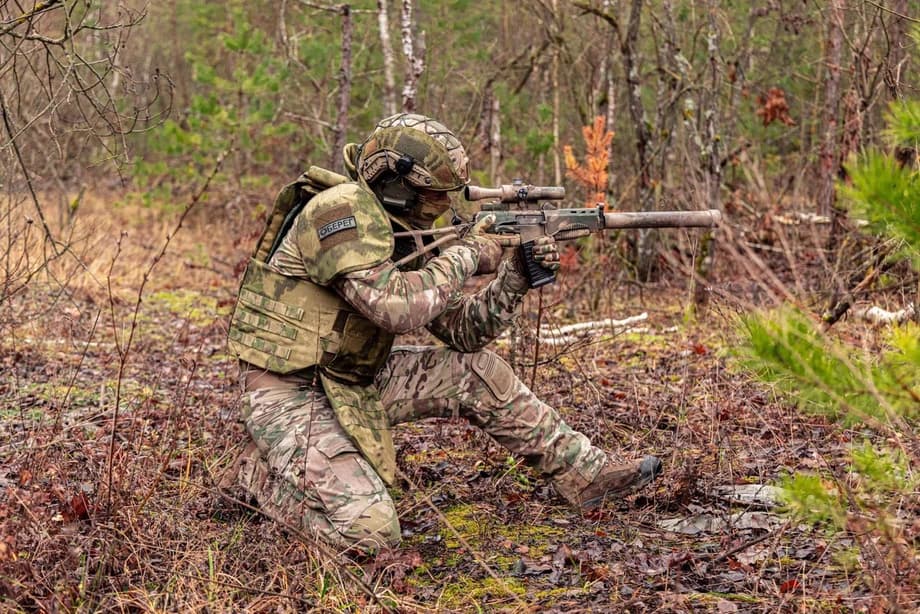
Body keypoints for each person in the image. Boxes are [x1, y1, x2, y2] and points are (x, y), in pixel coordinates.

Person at [224, 113, 662, 555]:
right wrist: (467, 253)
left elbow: (465, 332)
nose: (437, 208)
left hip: (352, 377)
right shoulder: (339, 210)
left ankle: (584, 473)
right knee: (369, 536)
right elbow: (396, 307)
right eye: (431, 196)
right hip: (287, 391)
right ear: (395, 182)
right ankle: (254, 476)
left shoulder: (401, 230)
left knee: (476, 371)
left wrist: (516, 277)